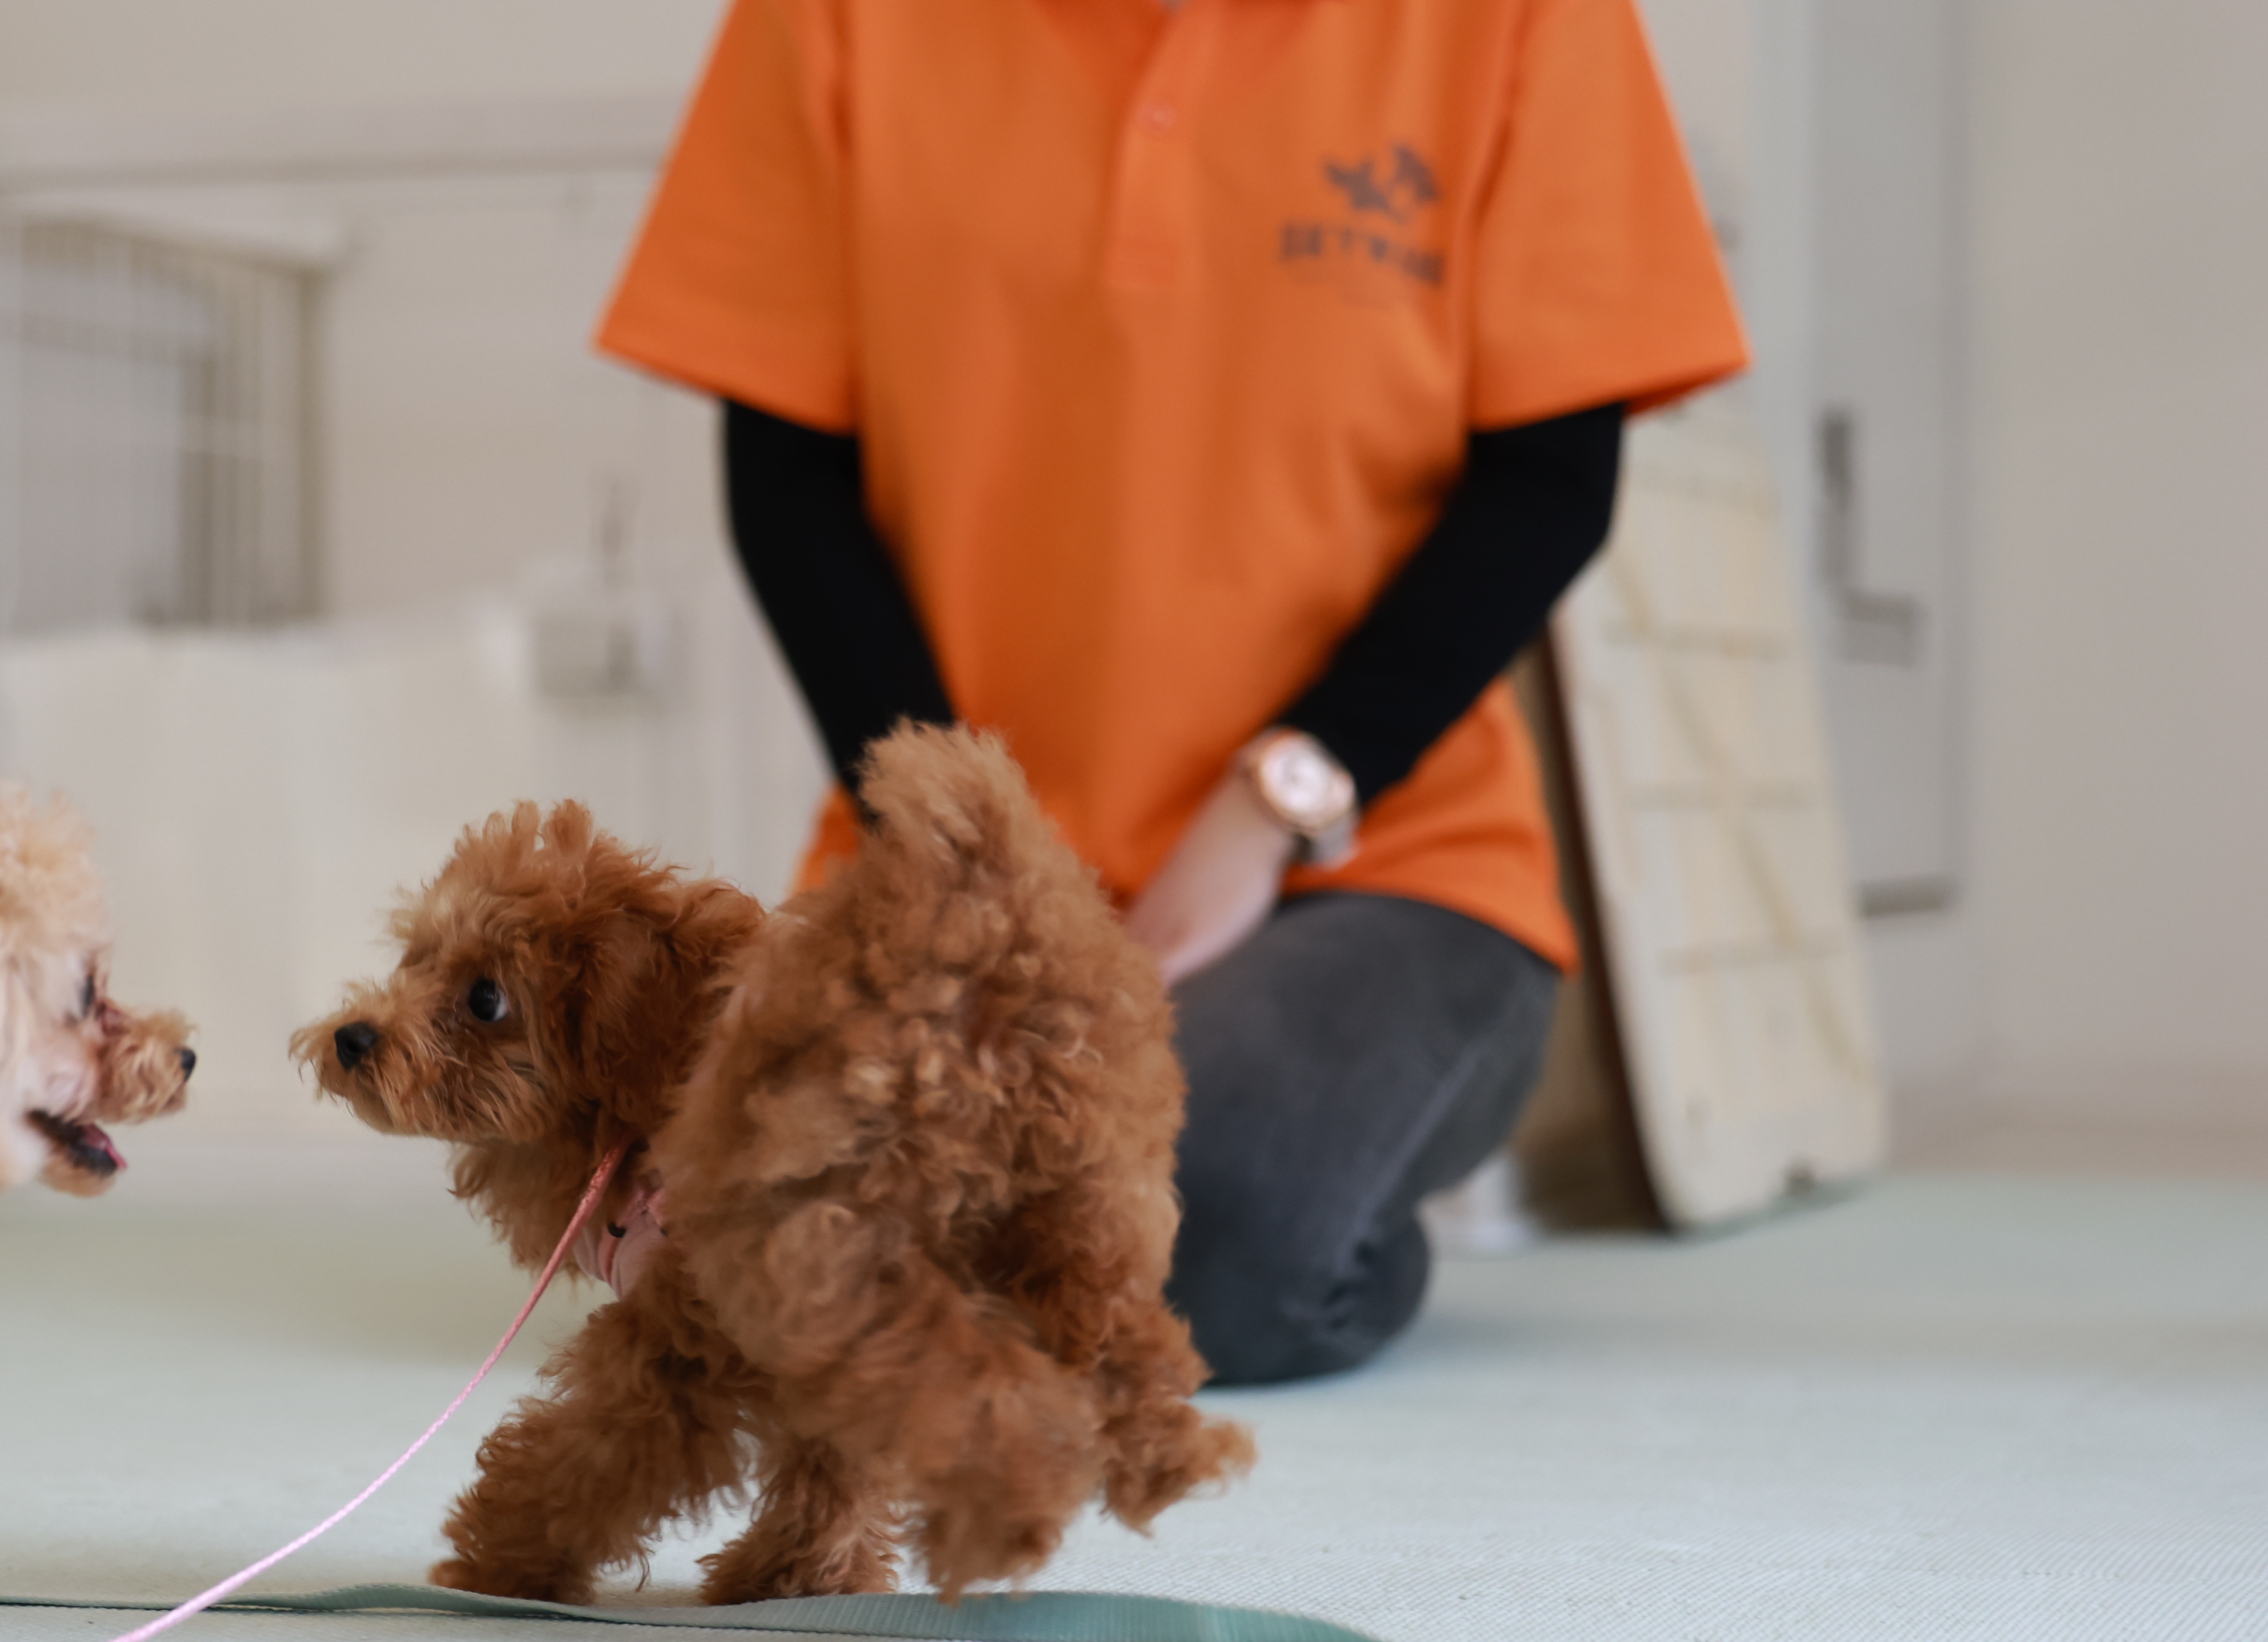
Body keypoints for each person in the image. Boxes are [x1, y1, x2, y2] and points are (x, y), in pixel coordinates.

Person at [598, 0, 1748, 1382]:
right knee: (712, 1248)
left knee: (1192, 1227)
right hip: (944, 868)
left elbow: (1548, 482)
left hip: (1380, 870)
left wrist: (1274, 803)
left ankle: (1322, 1216)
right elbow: (790, 482)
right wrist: (960, 862)